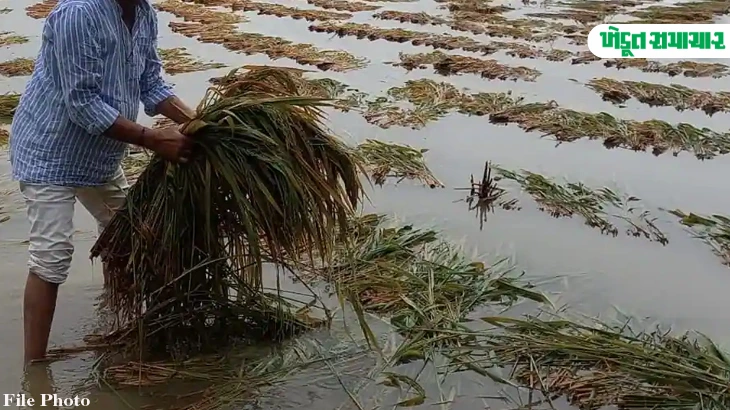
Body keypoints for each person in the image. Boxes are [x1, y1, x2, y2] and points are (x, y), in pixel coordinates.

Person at [9, 0, 197, 363]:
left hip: (100, 154)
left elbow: (152, 83)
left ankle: (118, 315)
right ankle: (34, 372)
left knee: (126, 233)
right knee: (52, 256)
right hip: (50, 150)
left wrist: (201, 122)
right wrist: (151, 138)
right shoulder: (78, 13)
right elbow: (81, 103)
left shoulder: (143, 13)